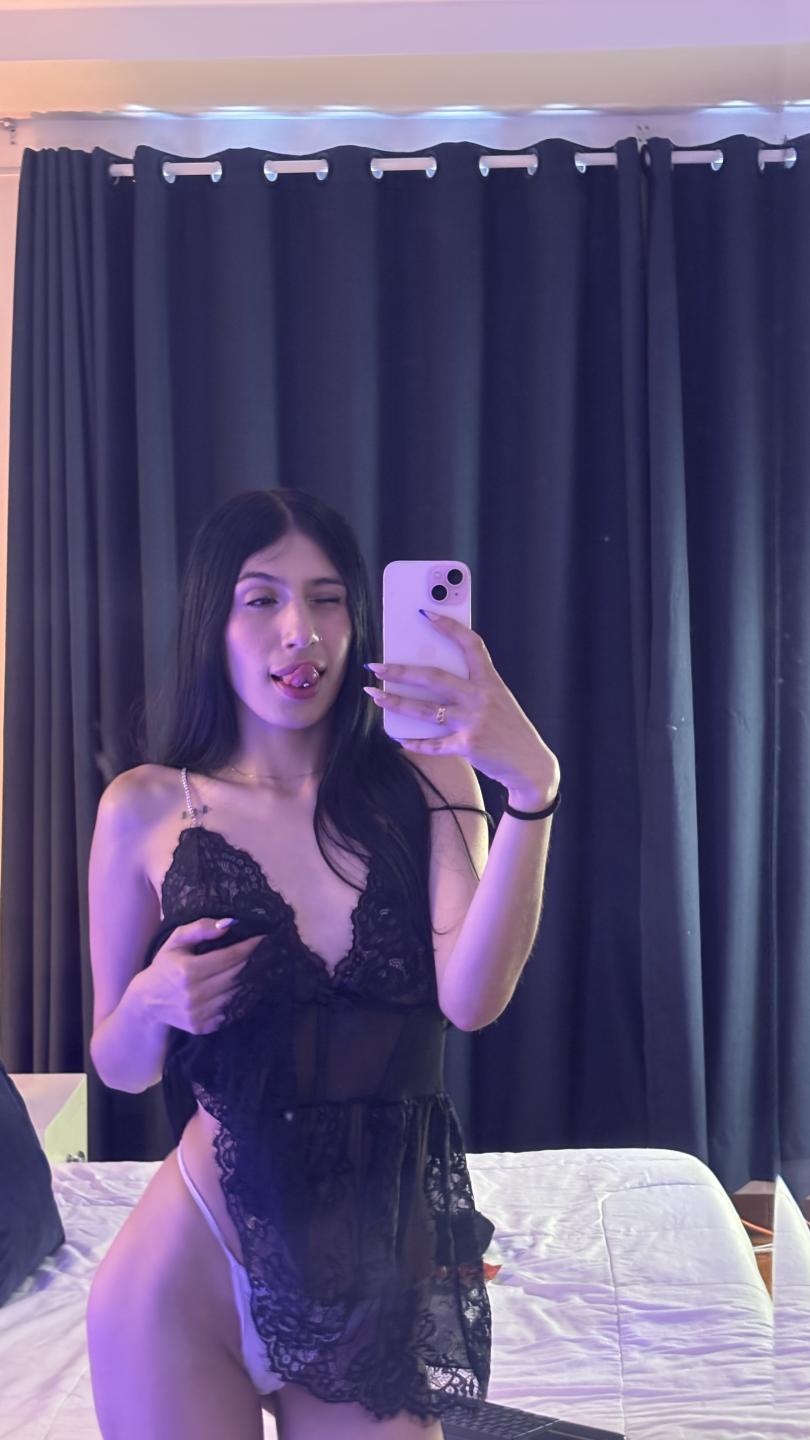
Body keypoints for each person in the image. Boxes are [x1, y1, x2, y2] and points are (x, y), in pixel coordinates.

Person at [86, 488, 560, 1440]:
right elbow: (118, 1064)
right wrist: (149, 1002)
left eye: (328, 598)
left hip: (371, 1274)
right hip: (187, 1274)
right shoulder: (146, 806)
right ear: (214, 620)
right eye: (262, 598)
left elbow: (473, 999)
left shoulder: (428, 779)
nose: (300, 630)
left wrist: (531, 787)